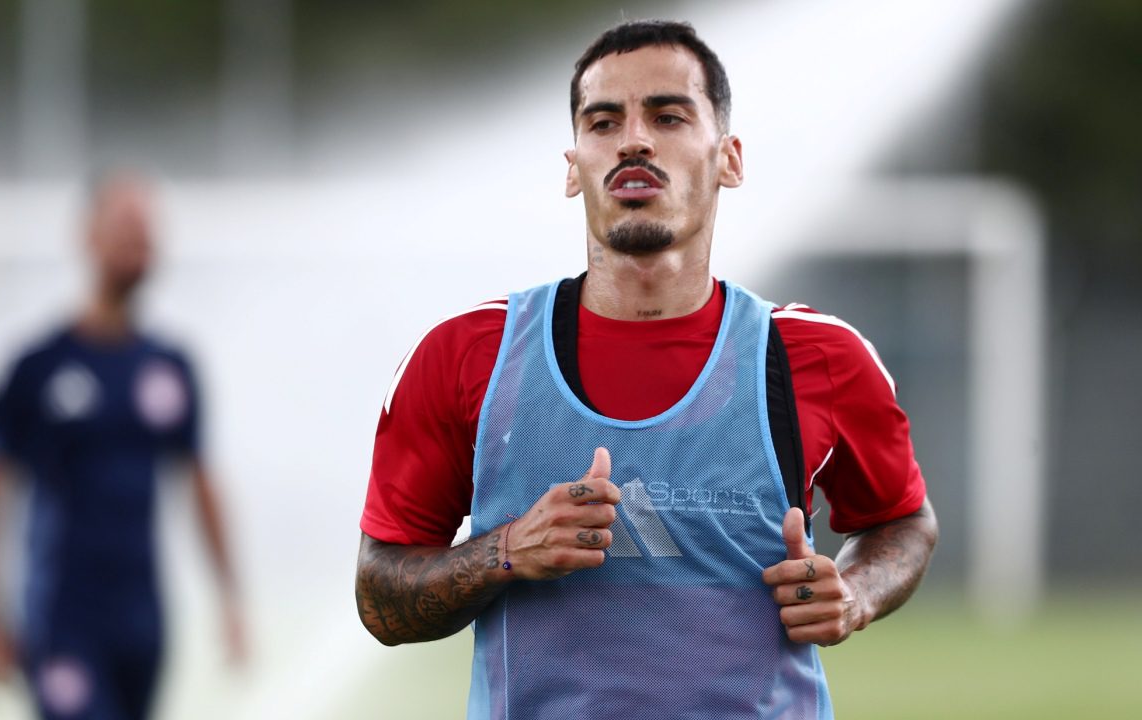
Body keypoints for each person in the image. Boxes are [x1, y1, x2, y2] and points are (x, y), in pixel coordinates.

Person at [355, 20, 938, 719]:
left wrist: (855, 596)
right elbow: (380, 600)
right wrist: (504, 550)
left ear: (729, 159)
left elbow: (903, 521)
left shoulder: (816, 355)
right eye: (604, 122)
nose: (634, 140)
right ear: (574, 167)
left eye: (667, 116)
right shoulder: (465, 355)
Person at [0, 172, 245, 720]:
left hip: (142, 622)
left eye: (147, 231)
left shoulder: (170, 366)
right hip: (61, 619)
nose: (139, 241)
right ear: (88, 235)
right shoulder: (38, 366)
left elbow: (199, 483)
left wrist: (230, 599)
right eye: (126, 226)